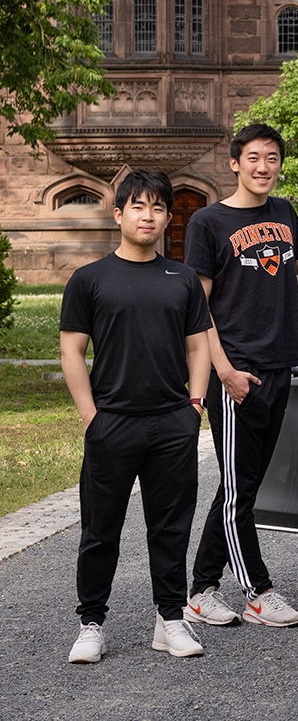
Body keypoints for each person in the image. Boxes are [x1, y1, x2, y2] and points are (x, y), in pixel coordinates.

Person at [183, 123, 298, 629]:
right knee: (240, 488)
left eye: (272, 158)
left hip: (280, 366)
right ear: (235, 164)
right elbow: (195, 307)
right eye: (254, 158)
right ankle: (258, 591)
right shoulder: (207, 221)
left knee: (242, 487)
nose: (264, 167)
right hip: (238, 372)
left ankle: (199, 590)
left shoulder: (284, 213)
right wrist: (224, 371)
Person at [60, 170, 212, 663]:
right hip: (113, 423)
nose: (149, 216)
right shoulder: (90, 279)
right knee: (101, 529)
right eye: (139, 207)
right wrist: (91, 417)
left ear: (169, 219)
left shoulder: (183, 278)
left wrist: (195, 406)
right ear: (119, 213)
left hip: (172, 421)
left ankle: (170, 620)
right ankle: (91, 623)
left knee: (170, 527)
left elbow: (199, 346)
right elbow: (71, 351)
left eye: (159, 209)